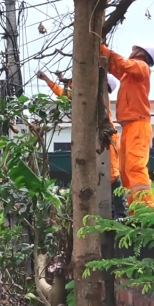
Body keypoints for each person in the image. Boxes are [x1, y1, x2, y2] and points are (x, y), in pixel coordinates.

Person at [39, 70, 125, 216]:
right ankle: (112, 212)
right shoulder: (92, 97)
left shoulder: (101, 97)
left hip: (107, 139)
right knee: (100, 176)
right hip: (99, 139)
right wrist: (52, 80)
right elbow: (69, 93)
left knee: (111, 175)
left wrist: (60, 80)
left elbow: (76, 91)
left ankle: (120, 213)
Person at [101, 43, 154, 212]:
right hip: (129, 127)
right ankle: (135, 210)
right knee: (125, 171)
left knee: (135, 166)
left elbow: (123, 63)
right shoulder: (130, 75)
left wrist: (103, 48)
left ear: (142, 53)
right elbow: (116, 67)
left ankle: (146, 207)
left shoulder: (141, 66)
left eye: (135, 50)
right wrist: (104, 58)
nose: (132, 51)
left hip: (138, 125)